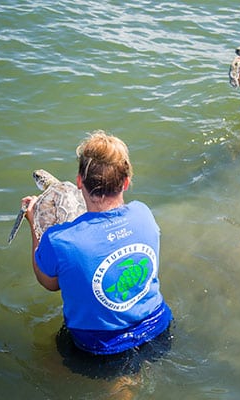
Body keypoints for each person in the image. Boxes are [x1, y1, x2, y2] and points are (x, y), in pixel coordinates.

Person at [21, 130, 172, 361]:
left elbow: (49, 283)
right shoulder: (144, 213)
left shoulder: (60, 240)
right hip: (159, 326)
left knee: (44, 360)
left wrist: (33, 223)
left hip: (101, 346)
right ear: (126, 182)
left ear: (79, 181)